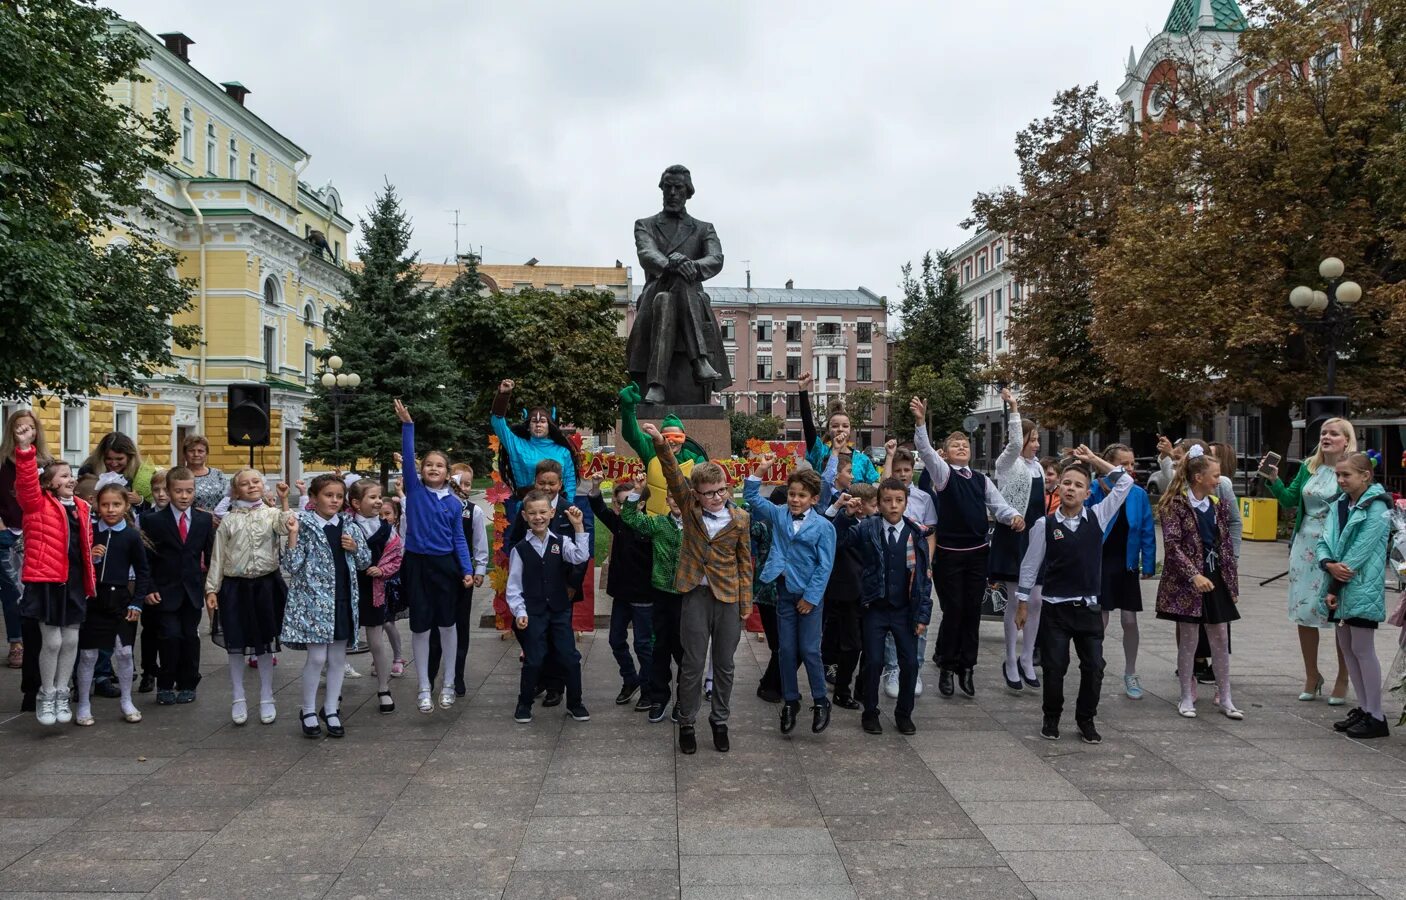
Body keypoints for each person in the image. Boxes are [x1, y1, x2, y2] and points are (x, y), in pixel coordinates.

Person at [645, 421, 752, 755]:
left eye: (721, 490)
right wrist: (662, 444)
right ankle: (688, 721)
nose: (717, 497)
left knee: (725, 664)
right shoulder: (690, 511)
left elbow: (745, 563)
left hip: (728, 598)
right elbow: (674, 476)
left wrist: (745, 604)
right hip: (694, 595)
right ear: (697, 494)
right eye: (709, 493)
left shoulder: (740, 519)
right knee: (692, 664)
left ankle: (719, 720)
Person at [910, 396, 1024, 698]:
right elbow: (924, 451)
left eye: (965, 445)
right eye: (955, 445)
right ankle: (947, 665)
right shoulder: (943, 474)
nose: (962, 447)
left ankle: (967, 667)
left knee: (972, 611)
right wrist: (921, 423)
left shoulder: (981, 479)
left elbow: (998, 506)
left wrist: (1013, 517)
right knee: (954, 610)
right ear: (945, 453)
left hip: (977, 555)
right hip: (949, 555)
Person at [1017, 449, 1132, 744]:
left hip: (1088, 609)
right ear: (1059, 486)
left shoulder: (1098, 517)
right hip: (1055, 610)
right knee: (1055, 668)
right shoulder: (1045, 525)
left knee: (1094, 667)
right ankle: (1051, 717)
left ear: (1087, 492)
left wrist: (1094, 461)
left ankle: (1086, 719)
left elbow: (1125, 483)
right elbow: (1030, 566)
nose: (1071, 488)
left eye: (1078, 485)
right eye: (1067, 483)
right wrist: (1022, 603)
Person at [1263, 419, 1356, 705]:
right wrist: (1274, 480)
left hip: (1336, 544)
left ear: (1346, 440)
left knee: (1338, 614)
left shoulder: (1353, 467)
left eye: (1333, 433)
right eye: (1323, 433)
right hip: (1305, 544)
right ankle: (1312, 675)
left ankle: (1343, 677)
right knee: (1304, 611)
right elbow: (1291, 500)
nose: (1326, 437)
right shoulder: (1308, 467)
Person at [625, 163, 733, 404]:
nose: (672, 193)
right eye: (668, 188)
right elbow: (646, 254)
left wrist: (691, 267)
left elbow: (716, 258)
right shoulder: (645, 224)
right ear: (662, 190)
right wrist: (671, 265)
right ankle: (699, 361)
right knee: (665, 294)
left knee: (673, 295)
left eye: (678, 188)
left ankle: (656, 384)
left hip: (690, 298)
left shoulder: (704, 228)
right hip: (655, 291)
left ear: (688, 192)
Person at [833, 478, 932, 735]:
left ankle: (904, 713)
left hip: (904, 609)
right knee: (873, 662)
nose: (893, 506)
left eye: (899, 500)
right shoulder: (867, 529)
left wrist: (922, 615)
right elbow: (838, 541)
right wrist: (845, 515)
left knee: (909, 663)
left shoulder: (916, 533)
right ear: (878, 503)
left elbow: (923, 578)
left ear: (906, 502)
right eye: (887, 500)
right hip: (875, 607)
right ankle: (870, 712)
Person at [745, 459, 837, 735]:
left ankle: (821, 701)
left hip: (810, 597)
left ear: (814, 499)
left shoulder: (823, 527)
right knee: (785, 650)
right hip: (784, 592)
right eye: (793, 494)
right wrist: (760, 470)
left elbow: (825, 566)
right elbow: (751, 497)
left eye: (802, 496)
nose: (795, 500)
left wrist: (810, 598)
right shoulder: (779, 514)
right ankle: (791, 701)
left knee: (809, 650)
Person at [394, 398, 475, 714]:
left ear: (447, 473)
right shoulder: (414, 491)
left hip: (445, 566)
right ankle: (424, 687)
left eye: (439, 465)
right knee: (420, 627)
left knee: (448, 624)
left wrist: (466, 569)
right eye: (428, 464)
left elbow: (458, 539)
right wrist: (408, 425)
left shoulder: (455, 504)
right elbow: (408, 460)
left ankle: (449, 684)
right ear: (421, 470)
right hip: (416, 564)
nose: (433, 469)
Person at [13, 421, 93, 726]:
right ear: (48, 484)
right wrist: (24, 450)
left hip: (72, 582)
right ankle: (45, 693)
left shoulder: (83, 507)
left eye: (71, 474)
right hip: (46, 581)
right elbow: (25, 484)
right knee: (53, 642)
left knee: (71, 641)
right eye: (63, 475)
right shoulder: (36, 504)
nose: (70, 479)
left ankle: (63, 691)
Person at [1156, 447, 1242, 720]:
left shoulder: (1218, 505)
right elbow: (1172, 545)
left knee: (1220, 636)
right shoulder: (1175, 505)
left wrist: (1232, 584)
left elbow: (1226, 546)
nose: (1219, 480)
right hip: (1188, 580)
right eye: (1215, 475)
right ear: (1198, 477)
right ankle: (1185, 695)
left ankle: (1225, 696)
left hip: (1215, 576)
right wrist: (1194, 574)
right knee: (1189, 638)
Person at [283, 475, 371, 739]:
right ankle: (308, 709)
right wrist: (292, 536)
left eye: (339, 496)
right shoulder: (304, 524)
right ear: (313, 498)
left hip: (343, 599)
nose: (334, 500)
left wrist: (355, 548)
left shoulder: (350, 526)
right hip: (314, 603)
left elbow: (365, 562)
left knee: (337, 658)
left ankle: (331, 708)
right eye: (328, 495)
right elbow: (291, 566)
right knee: (318, 657)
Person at [206, 470, 294, 726]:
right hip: (235, 587)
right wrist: (212, 588)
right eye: (244, 483)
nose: (251, 486)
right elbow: (218, 556)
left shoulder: (271, 514)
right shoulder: (229, 521)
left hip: (266, 585)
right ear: (235, 491)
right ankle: (238, 697)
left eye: (255, 481)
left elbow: (286, 525)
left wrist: (284, 500)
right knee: (236, 642)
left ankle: (267, 696)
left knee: (264, 642)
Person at [1318, 452, 1394, 739]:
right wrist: (1327, 564)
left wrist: (1336, 579)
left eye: (1346, 475)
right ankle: (1363, 708)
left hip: (1360, 587)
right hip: (1338, 585)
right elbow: (1325, 540)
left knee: (1363, 649)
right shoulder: (1340, 503)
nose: (1341, 480)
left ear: (1366, 476)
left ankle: (1376, 714)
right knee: (1347, 647)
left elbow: (1360, 551)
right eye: (1338, 475)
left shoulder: (1377, 507)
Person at [506, 491, 591, 725]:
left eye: (543, 512)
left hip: (559, 610)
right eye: (532, 513)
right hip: (533, 612)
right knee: (534, 659)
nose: (538, 517)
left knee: (570, 657)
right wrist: (520, 612)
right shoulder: (520, 549)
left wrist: (578, 527)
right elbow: (513, 586)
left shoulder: (561, 542)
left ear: (552, 513)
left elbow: (580, 556)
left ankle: (575, 702)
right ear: (524, 516)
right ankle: (524, 703)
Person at [73, 481, 151, 726]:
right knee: (87, 655)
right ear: (96, 505)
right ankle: (84, 703)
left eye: (116, 504)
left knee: (125, 653)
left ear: (126, 505)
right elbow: (77, 566)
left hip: (121, 601)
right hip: (95, 599)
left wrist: (137, 602)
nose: (111, 509)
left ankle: (127, 700)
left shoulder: (130, 535)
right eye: (105, 504)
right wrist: (92, 558)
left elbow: (143, 571)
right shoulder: (90, 532)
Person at [141, 466, 214, 706]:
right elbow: (146, 558)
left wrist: (211, 588)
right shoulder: (152, 520)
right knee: (169, 636)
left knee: (189, 637)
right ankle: (165, 682)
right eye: (179, 491)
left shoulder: (203, 520)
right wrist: (149, 586)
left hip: (192, 590)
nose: (184, 496)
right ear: (169, 492)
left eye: (189, 491)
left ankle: (188, 682)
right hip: (164, 590)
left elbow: (210, 555)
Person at [989, 388, 1046, 693]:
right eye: (1032, 439)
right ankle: (1010, 659)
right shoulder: (1007, 464)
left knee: (1036, 600)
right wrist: (1014, 408)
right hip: (1014, 536)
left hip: (1037, 537)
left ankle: (1027, 657)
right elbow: (1013, 442)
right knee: (1016, 600)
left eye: (1037, 439)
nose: (1036, 444)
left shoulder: (1038, 467)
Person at [1090, 444, 1156, 700]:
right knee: (1100, 619)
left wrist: (1147, 563)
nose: (1130, 469)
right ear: (1110, 466)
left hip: (1127, 563)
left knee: (1129, 620)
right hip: (1102, 561)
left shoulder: (1138, 494)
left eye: (1132, 463)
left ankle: (1130, 671)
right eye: (1124, 464)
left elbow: (1147, 529)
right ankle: (1094, 664)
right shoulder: (1095, 489)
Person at [621, 473, 687, 722]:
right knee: (659, 648)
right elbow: (629, 517)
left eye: (680, 497)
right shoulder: (659, 524)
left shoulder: (698, 525)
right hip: (660, 595)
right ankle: (659, 696)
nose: (675, 501)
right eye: (671, 497)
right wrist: (637, 491)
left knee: (685, 652)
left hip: (686, 597)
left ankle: (684, 699)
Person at [587, 478, 655, 710]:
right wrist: (595, 487)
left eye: (633, 502)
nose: (627, 507)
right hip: (622, 595)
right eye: (622, 503)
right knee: (616, 639)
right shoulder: (618, 524)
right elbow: (598, 508)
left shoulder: (650, 525)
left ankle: (648, 689)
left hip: (644, 596)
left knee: (644, 645)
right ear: (617, 505)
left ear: (642, 504)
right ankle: (630, 679)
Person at [427, 465, 489, 698]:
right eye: (459, 483)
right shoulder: (436, 507)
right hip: (437, 573)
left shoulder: (472, 511)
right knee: (435, 626)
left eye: (468, 484)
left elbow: (479, 543)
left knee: (460, 625)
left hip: (463, 576)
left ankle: (456, 675)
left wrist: (480, 569)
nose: (464, 488)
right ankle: (430, 673)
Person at [879, 444, 935, 698]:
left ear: (913, 471)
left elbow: (931, 534)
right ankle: (893, 669)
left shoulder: (923, 498)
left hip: (917, 568)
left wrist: (928, 564)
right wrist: (889, 457)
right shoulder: (888, 495)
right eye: (898, 470)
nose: (902, 474)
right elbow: (883, 485)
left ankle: (915, 668)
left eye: (907, 470)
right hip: (892, 568)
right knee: (892, 621)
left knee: (918, 619)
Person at [820, 481, 877, 710]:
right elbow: (834, 540)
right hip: (847, 594)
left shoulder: (876, 524)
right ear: (861, 507)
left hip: (870, 594)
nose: (878, 508)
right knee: (851, 645)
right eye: (874, 504)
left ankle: (863, 689)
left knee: (869, 645)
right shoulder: (845, 524)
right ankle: (842, 691)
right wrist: (845, 514)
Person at [0, 409, 49, 677]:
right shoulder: (2, 463)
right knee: (11, 590)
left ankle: (38, 639)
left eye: (30, 427)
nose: (25, 431)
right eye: (19, 427)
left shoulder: (46, 463)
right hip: (8, 531)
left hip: (36, 533)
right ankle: (16, 642)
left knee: (37, 590)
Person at [348, 479, 401, 714]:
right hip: (348, 590)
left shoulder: (387, 529)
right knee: (340, 642)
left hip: (374, 589)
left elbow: (396, 556)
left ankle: (383, 688)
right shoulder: (346, 526)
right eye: (372, 497)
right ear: (356, 503)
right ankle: (334, 693)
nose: (379, 501)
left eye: (380, 497)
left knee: (376, 642)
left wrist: (382, 570)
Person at [618, 383, 711, 515]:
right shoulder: (650, 450)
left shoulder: (695, 457)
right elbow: (631, 435)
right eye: (667, 437)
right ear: (659, 437)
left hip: (687, 520)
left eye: (677, 437)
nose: (672, 441)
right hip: (654, 520)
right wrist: (628, 408)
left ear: (684, 438)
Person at [491, 379, 579, 504]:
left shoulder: (563, 451)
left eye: (543, 421)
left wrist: (566, 508)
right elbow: (497, 422)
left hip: (556, 510)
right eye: (534, 421)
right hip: (528, 509)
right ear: (528, 426)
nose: (538, 425)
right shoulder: (517, 445)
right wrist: (503, 395)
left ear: (550, 426)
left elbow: (570, 484)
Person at [798, 373, 879, 501]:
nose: (840, 429)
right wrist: (803, 390)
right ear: (828, 430)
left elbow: (873, 491)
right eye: (835, 426)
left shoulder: (863, 460)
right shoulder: (821, 452)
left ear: (850, 430)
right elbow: (808, 425)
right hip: (823, 511)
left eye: (845, 426)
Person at [181, 435, 228, 515]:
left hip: (220, 521)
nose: (196, 454)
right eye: (191, 451)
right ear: (185, 454)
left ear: (206, 454)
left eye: (200, 451)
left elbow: (230, 498)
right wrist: (208, 515)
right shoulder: (179, 475)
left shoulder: (218, 474)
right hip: (193, 521)